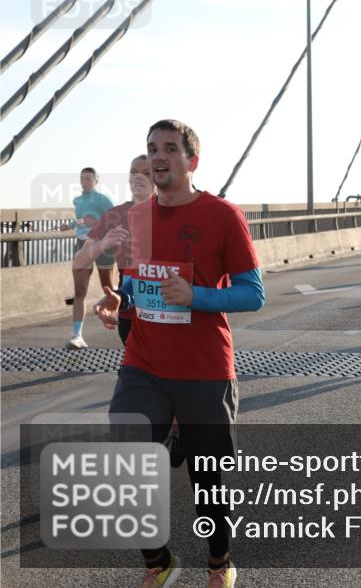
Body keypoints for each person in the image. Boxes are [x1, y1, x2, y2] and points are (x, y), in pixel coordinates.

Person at [93, 119, 265, 588]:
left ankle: (219, 563)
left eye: (170, 148)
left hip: (205, 368)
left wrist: (198, 297)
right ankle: (159, 561)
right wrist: (120, 299)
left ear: (192, 161)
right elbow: (136, 279)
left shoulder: (223, 216)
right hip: (144, 364)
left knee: (207, 482)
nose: (158, 157)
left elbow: (253, 294)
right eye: (152, 149)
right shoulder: (138, 217)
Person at [73, 155, 154, 345]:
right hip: (129, 312)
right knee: (134, 371)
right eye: (134, 172)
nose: (138, 177)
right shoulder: (115, 215)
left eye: (146, 173)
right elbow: (79, 261)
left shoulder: (175, 212)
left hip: (167, 314)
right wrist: (102, 245)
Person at [63, 166, 115, 349]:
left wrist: (97, 224)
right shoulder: (77, 200)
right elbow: (81, 219)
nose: (85, 182)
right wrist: (69, 225)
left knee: (108, 288)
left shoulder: (103, 199)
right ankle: (77, 336)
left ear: (96, 180)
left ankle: (125, 315)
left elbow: (115, 218)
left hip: (102, 245)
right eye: (82, 178)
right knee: (79, 291)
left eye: (88, 179)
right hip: (82, 244)